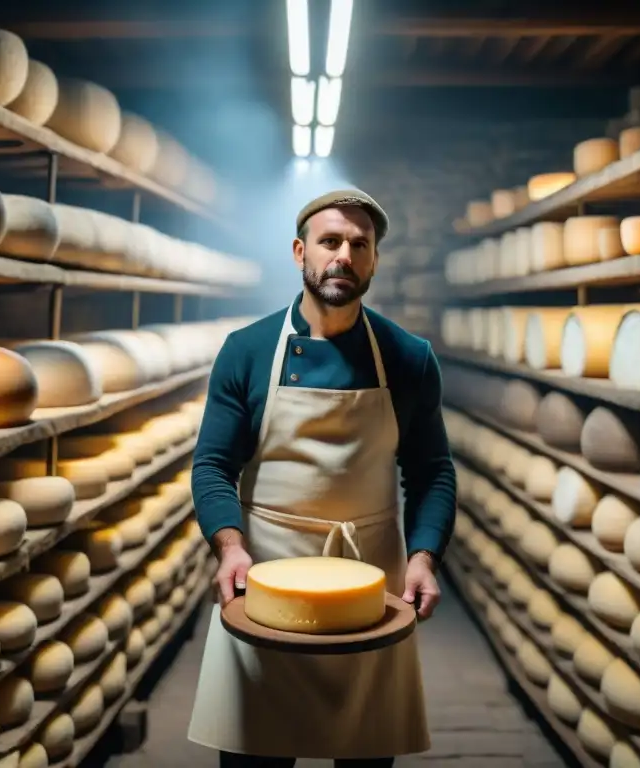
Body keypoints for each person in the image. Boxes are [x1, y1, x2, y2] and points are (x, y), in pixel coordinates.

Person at [186, 189, 457, 767]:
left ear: (375, 260)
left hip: (371, 581)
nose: (344, 256)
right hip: (266, 576)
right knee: (257, 751)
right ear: (299, 251)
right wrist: (228, 547)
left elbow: (432, 471)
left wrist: (425, 556)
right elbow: (212, 465)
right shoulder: (248, 351)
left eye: (360, 245)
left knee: (364, 752)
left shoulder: (408, 357)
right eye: (330, 241)